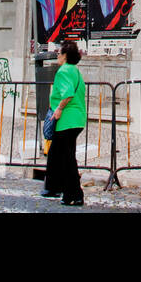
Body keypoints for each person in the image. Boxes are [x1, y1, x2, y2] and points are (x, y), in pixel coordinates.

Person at [42, 40, 88, 206]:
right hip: (77, 119)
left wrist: (59, 109)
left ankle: (73, 193)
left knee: (64, 157)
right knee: (64, 156)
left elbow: (67, 94)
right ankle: (67, 193)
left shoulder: (63, 71)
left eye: (59, 53)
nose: (57, 56)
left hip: (66, 120)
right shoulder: (75, 71)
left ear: (65, 55)